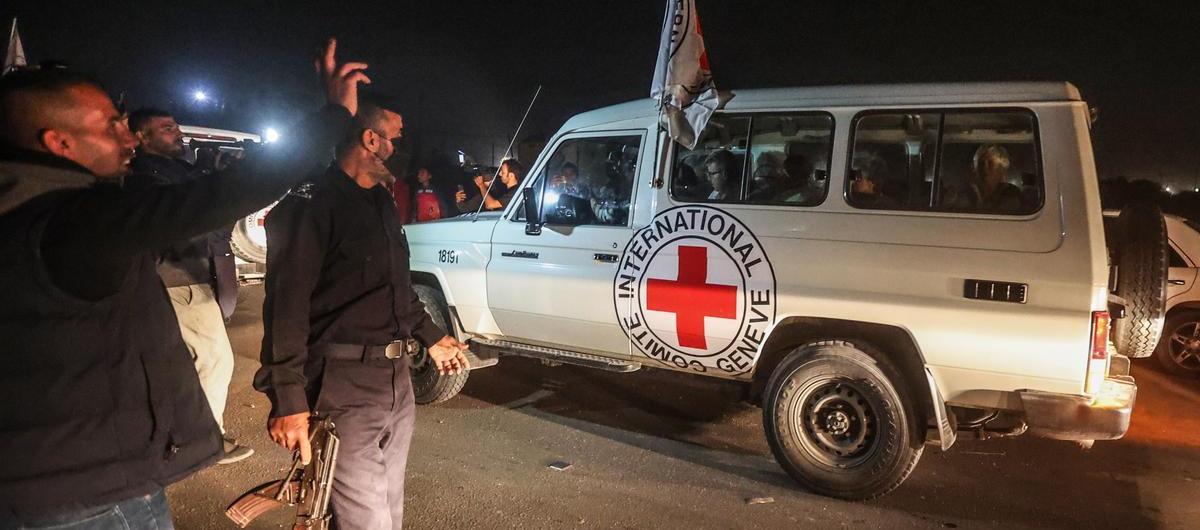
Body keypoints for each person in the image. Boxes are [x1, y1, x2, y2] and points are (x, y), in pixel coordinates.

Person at [0, 38, 364, 527]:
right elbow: (236, 188)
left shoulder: (23, 207)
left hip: (46, 477)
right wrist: (334, 114)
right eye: (111, 126)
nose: (128, 139)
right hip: (88, 492)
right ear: (58, 143)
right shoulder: (76, 221)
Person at [255, 94, 471, 529]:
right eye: (399, 138)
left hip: (395, 382)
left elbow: (394, 290)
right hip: (342, 386)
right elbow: (285, 307)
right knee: (366, 521)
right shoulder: (313, 204)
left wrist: (432, 338)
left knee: (389, 511)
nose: (405, 148)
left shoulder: (381, 203)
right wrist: (288, 399)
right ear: (372, 140)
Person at [125, 107, 253, 465]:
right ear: (141, 137)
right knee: (214, 359)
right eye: (167, 128)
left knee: (184, 363)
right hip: (179, 279)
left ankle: (180, 438)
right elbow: (201, 222)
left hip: (185, 275)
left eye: (177, 127)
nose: (178, 134)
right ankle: (204, 441)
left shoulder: (176, 173)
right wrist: (220, 180)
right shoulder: (147, 178)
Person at [455, 158, 522, 213]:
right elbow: (465, 208)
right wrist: (459, 200)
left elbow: (490, 204)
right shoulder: (493, 192)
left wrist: (481, 185)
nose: (500, 174)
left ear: (511, 176)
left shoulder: (515, 193)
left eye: (503, 172)